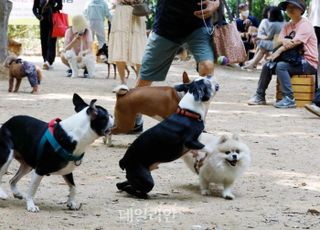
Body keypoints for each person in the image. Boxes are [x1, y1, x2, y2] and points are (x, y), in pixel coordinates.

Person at [129, 0, 220, 133]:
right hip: (166, 27)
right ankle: (135, 118)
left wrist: (215, 4)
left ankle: (199, 123)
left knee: (207, 67)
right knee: (144, 79)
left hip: (198, 26)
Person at [248, 0, 318, 109]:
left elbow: (294, 43)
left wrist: (278, 51)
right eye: (288, 7)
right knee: (267, 65)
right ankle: (259, 96)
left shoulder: (305, 25)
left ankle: (289, 99)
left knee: (281, 66)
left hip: (308, 62)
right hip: (292, 60)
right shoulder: (288, 25)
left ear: (301, 10)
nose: (290, 9)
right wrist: (285, 40)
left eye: (294, 7)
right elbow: (278, 39)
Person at [108, 0, 147, 88]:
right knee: (119, 46)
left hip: (137, 10)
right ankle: (122, 81)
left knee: (138, 47)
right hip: (121, 12)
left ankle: (140, 80)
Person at [33, 0, 62, 70]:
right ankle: (45, 59)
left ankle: (49, 61)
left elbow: (60, 6)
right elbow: (34, 8)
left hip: (53, 20)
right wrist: (38, 16)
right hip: (43, 20)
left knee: (51, 41)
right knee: (44, 40)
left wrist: (52, 8)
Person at [304, 0, 320, 116]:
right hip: (315, 30)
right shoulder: (313, 1)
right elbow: (310, 17)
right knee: (317, 65)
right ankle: (317, 97)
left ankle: (318, 102)